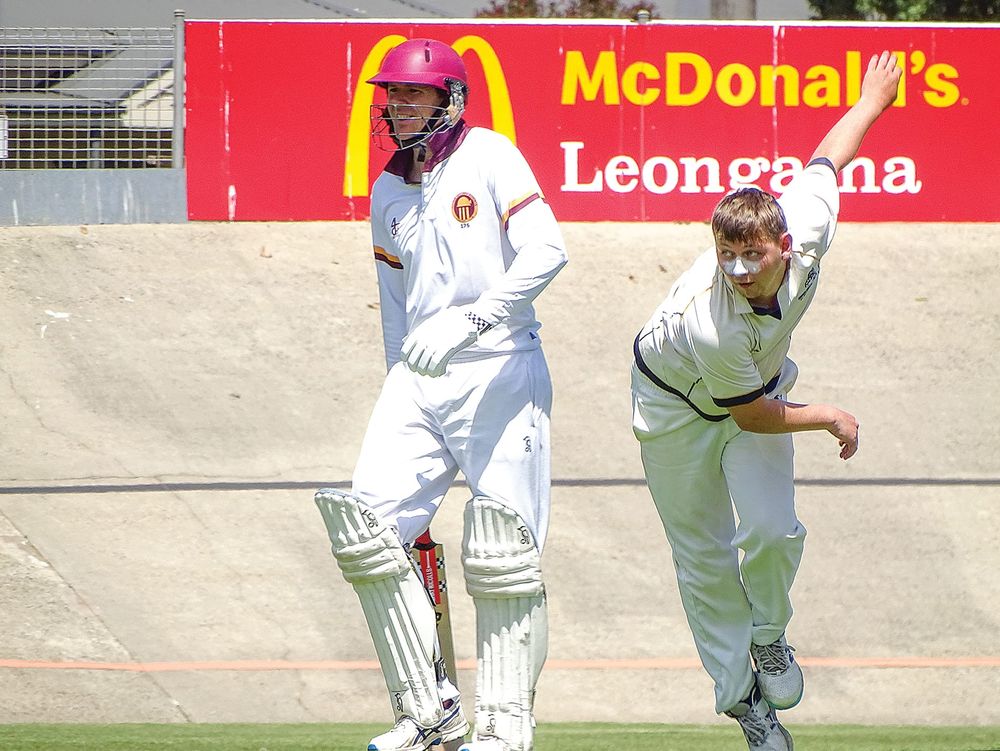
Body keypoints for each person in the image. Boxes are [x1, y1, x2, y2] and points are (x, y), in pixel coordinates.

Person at [630, 51, 901, 750]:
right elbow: (749, 415)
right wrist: (829, 414)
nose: (740, 271)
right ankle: (744, 702)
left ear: (784, 244)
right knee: (706, 559)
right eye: (727, 257)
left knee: (775, 531)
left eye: (753, 256)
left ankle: (770, 635)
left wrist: (871, 101)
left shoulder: (806, 228)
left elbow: (826, 162)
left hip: (757, 389)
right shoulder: (711, 319)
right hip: (673, 409)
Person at [314, 38, 567, 751]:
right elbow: (395, 303)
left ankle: (505, 727)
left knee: (503, 553)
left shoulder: (490, 156)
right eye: (390, 94)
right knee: (366, 530)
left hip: (500, 366)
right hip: (420, 378)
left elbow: (548, 250)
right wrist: (396, 376)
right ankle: (429, 709)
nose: (396, 106)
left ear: (449, 100)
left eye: (411, 93)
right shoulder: (388, 190)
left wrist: (475, 317)